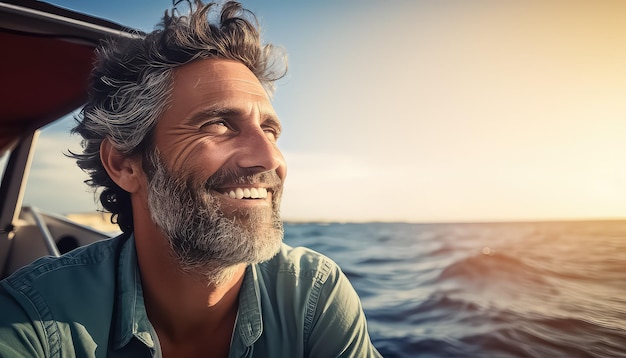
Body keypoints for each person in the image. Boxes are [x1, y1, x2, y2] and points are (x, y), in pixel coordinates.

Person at [0, 1, 382, 357]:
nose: (269, 158)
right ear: (125, 165)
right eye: (218, 123)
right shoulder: (30, 316)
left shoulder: (313, 294)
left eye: (269, 130)